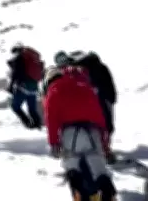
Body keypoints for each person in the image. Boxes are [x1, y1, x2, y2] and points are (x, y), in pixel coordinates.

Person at [43, 66, 117, 201]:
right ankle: (107, 194)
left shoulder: (53, 90)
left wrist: (54, 142)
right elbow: (99, 115)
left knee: (73, 169)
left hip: (70, 134)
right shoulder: (84, 86)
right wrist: (104, 140)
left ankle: (81, 196)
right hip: (92, 131)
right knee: (99, 168)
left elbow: (51, 119)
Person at [69, 51, 118, 163]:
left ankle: (102, 150)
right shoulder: (99, 66)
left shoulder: (83, 69)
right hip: (105, 99)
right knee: (105, 125)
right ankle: (104, 150)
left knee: (99, 126)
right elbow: (109, 84)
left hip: (96, 100)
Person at [7, 45, 43, 129]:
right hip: (34, 87)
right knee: (32, 109)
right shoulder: (32, 57)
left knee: (15, 106)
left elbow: (16, 73)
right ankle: (37, 125)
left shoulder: (19, 58)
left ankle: (28, 123)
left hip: (23, 87)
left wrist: (11, 86)